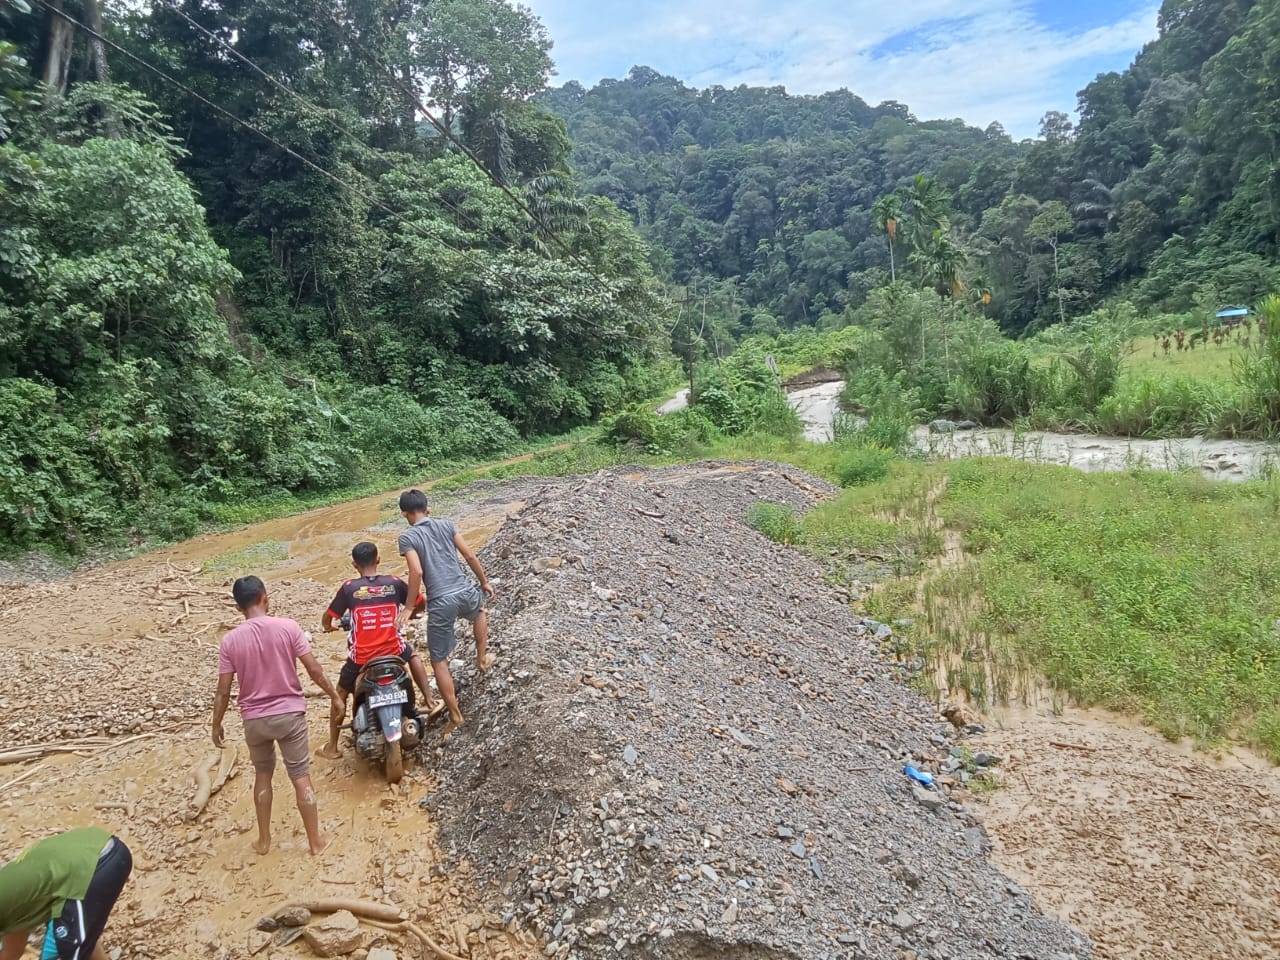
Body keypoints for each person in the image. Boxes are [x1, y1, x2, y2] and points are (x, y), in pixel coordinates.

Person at [212, 575, 341, 856]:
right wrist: (333, 695)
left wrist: (216, 725)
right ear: (265, 597)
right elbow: (314, 670)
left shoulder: (230, 641)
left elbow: (223, 691)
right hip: (290, 716)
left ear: (238, 608)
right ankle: (316, 842)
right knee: (300, 777)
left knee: (262, 775)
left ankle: (264, 841)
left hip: (254, 720)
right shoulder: (288, 628)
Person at [318, 541, 443, 759]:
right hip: (394, 651)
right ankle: (430, 701)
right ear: (378, 559)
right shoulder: (394, 583)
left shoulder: (349, 588)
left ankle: (332, 747)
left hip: (362, 658)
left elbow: (328, 618)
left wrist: (329, 627)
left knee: (340, 693)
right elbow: (420, 603)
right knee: (412, 654)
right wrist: (409, 613)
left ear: (354, 564)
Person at [395, 489, 496, 730]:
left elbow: (417, 571)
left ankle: (456, 715)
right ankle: (482, 659)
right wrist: (483, 581)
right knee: (479, 612)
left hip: (440, 601)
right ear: (427, 508)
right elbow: (469, 554)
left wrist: (409, 606)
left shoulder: (407, 537)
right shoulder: (447, 524)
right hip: (464, 591)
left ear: (405, 514)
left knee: (439, 661)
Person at [0, 827, 132, 960]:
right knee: (77, 937)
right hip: (98, 848)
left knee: (63, 951)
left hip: (91, 867)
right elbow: (14, 934)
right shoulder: (9, 904)